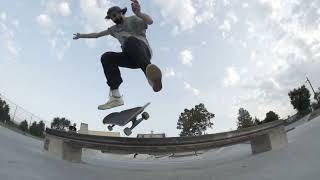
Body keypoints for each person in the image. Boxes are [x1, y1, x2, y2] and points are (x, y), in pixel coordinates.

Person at [73, 0, 162, 110]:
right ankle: (115, 96)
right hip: (130, 59)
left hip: (143, 52)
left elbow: (150, 21)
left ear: (121, 13)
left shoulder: (133, 19)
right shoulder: (113, 29)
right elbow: (97, 35)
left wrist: (139, 13)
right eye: (111, 17)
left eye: (115, 15)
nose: (114, 19)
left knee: (130, 41)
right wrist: (81, 35)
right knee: (107, 57)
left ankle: (152, 79)